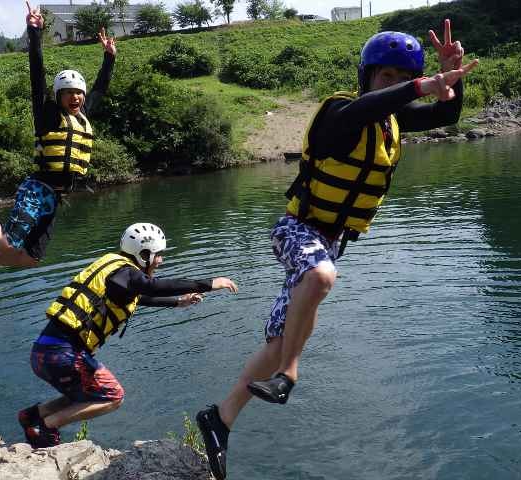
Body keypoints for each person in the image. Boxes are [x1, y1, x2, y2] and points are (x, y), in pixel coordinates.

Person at [195, 19, 479, 480]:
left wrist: (452, 78)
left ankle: (219, 419)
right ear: (367, 77)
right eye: (387, 77)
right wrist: (423, 85)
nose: (396, 86)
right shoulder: (341, 113)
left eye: (404, 79)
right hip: (295, 229)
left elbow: (447, 116)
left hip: (331, 241)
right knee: (321, 277)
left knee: (276, 337)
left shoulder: (393, 122)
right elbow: (356, 115)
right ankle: (289, 374)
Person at [0, 2, 117, 275]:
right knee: (8, 243)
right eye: (68, 92)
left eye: (78, 92)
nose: (75, 97)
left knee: (29, 258)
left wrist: (109, 58)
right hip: (37, 190)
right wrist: (34, 33)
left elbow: (100, 88)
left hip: (55, 199)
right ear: (58, 96)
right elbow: (37, 74)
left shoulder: (83, 116)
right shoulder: (48, 115)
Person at [18, 222, 238, 448]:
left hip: (44, 352)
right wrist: (209, 284)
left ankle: (33, 416)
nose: (160, 260)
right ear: (143, 255)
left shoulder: (115, 268)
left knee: (89, 393)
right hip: (63, 355)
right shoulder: (128, 274)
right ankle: (50, 425)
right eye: (158, 255)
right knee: (113, 396)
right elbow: (154, 287)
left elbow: (136, 297)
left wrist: (177, 302)